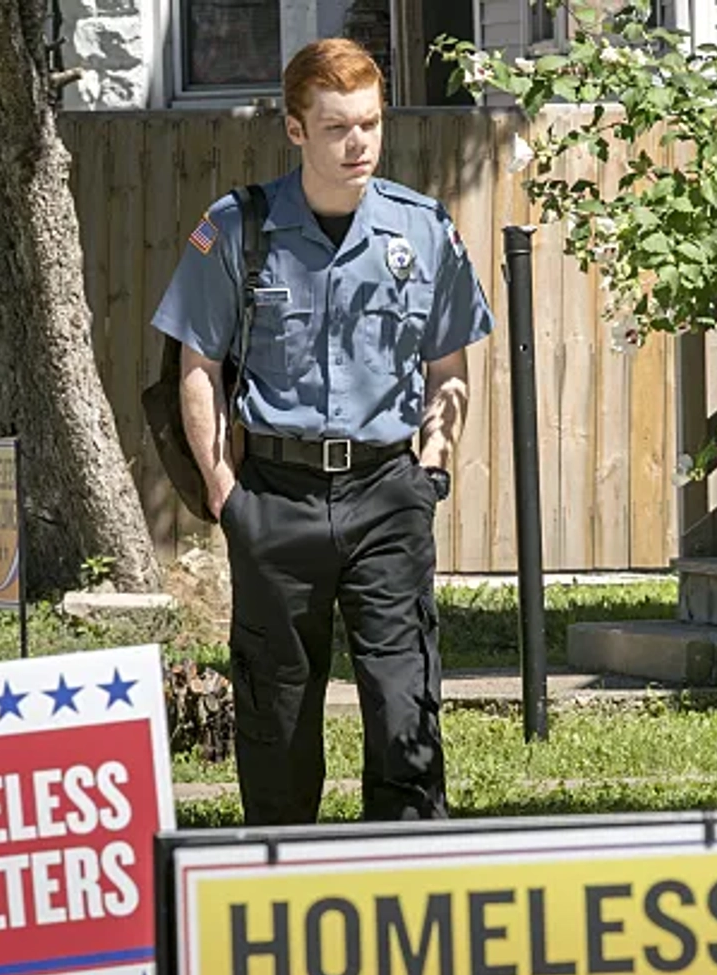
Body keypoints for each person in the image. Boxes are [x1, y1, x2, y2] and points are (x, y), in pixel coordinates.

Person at [149, 37, 495, 828]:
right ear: (296, 129)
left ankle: (406, 876)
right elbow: (195, 368)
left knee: (403, 693)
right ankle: (281, 872)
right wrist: (223, 490)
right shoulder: (239, 229)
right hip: (274, 497)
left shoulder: (421, 231)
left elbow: (449, 368)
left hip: (386, 493)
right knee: (276, 704)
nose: (359, 144)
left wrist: (430, 470)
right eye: (338, 127)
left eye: (370, 124)